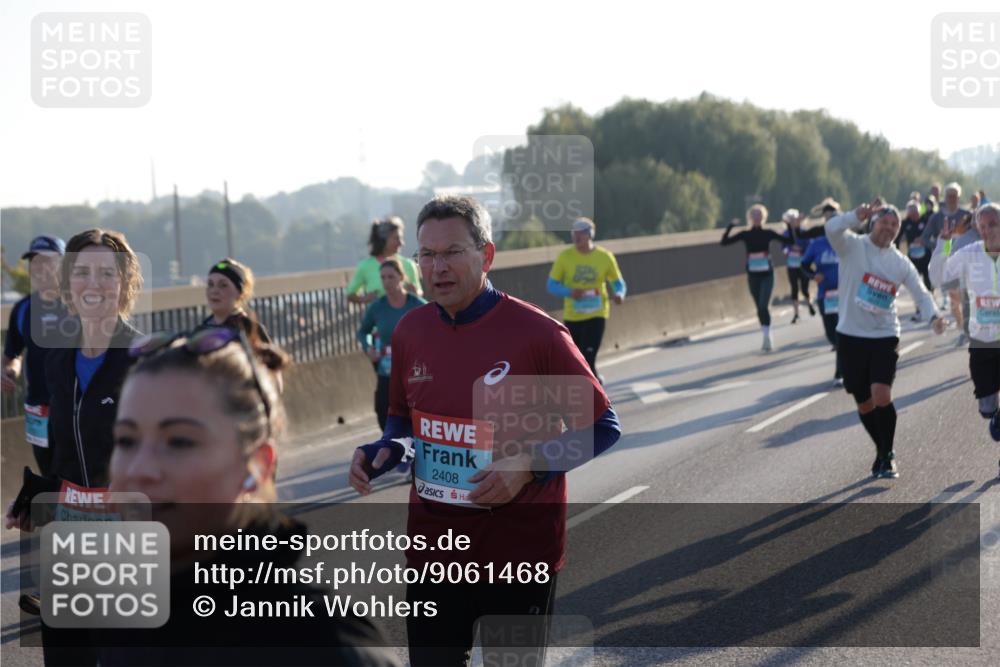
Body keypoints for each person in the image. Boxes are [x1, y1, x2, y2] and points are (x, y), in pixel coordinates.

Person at [348, 195, 621, 666]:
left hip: (518, 552)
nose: (438, 267)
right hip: (434, 551)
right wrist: (385, 451)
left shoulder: (538, 334)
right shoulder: (410, 331)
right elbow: (403, 421)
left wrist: (529, 466)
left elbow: (602, 427)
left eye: (453, 252)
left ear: (486, 255)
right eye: (427, 254)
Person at [827, 202, 946, 479]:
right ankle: (881, 449)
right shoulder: (851, 246)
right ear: (873, 222)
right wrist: (853, 216)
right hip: (850, 335)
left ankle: (888, 454)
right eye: (885, 222)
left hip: (884, 334)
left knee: (881, 394)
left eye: (895, 225)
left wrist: (933, 316)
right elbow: (831, 228)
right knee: (863, 401)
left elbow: (921, 292)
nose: (889, 228)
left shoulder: (899, 262)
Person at [45, 229, 144, 489]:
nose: (93, 283)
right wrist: (34, 501)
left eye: (106, 274)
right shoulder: (57, 360)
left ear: (124, 282)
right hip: (71, 514)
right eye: (81, 272)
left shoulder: (146, 360)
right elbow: (60, 458)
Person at [929, 203, 1000, 476]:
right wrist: (943, 244)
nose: (988, 231)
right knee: (987, 408)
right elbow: (938, 277)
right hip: (981, 343)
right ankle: (994, 414)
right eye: (982, 226)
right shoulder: (969, 254)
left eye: (993, 224)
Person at [2, 235, 69, 475]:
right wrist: (8, 371)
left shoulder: (79, 305)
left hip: (73, 408)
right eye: (35, 261)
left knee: (75, 477)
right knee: (47, 474)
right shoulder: (22, 309)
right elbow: (13, 354)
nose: (40, 268)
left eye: (47, 261)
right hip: (37, 410)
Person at [546, 217, 627, 383]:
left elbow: (618, 283)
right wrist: (569, 292)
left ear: (590, 234)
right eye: (573, 233)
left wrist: (620, 294)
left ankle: (592, 390)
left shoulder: (605, 257)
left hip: (597, 312)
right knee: (577, 359)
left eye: (580, 233)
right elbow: (552, 285)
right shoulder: (565, 257)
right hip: (573, 315)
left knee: (588, 355)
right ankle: (595, 379)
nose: (576, 237)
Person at [356, 258, 425, 432]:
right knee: (383, 411)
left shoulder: (417, 305)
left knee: (414, 414)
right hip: (387, 369)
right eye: (383, 277)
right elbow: (363, 332)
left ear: (401, 277)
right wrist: (369, 348)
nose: (386, 282)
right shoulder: (377, 307)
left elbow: (436, 328)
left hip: (414, 371)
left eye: (391, 277)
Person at [720, 203, 794, 351]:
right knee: (758, 308)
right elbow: (724, 242)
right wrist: (730, 226)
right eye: (754, 215)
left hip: (767, 274)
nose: (757, 217)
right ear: (750, 217)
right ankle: (765, 332)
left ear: (764, 217)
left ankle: (768, 337)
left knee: (763, 305)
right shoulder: (746, 234)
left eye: (759, 215)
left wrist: (788, 227)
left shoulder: (768, 233)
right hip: (753, 275)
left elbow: (789, 241)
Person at [922, 182, 975, 343]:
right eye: (949, 196)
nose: (952, 199)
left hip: (965, 263)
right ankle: (962, 328)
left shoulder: (966, 215)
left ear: (959, 198)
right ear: (944, 198)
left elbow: (976, 233)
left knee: (967, 298)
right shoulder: (937, 217)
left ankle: (968, 328)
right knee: (954, 301)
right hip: (947, 264)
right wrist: (939, 245)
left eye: (954, 196)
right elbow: (925, 237)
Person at [346, 216, 422, 305]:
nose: (401, 243)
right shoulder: (365, 266)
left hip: (405, 314)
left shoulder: (409, 264)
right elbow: (350, 294)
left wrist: (416, 292)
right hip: (377, 314)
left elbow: (419, 292)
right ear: (383, 240)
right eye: (396, 238)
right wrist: (365, 299)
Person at [194, 258, 272, 344]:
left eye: (223, 285)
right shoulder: (200, 331)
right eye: (210, 284)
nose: (214, 291)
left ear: (240, 292)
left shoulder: (251, 330)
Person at [800, 233, 842, 384]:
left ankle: (840, 373)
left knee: (842, 334)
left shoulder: (848, 241)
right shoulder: (817, 244)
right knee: (831, 334)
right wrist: (813, 275)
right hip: (825, 295)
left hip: (845, 294)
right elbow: (804, 265)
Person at [781, 208, 824, 323]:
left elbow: (810, 246)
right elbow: (783, 248)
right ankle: (796, 314)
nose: (792, 222)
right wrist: (790, 250)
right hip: (791, 265)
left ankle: (809, 303)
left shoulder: (804, 232)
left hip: (803, 264)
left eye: (794, 220)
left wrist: (801, 250)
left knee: (804, 288)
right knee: (794, 288)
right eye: (790, 220)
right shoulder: (785, 234)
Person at [895, 200, 933, 320]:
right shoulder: (905, 223)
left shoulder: (925, 221)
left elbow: (933, 234)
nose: (914, 215)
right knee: (916, 284)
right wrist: (895, 252)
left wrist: (924, 241)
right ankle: (918, 308)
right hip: (913, 257)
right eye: (912, 213)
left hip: (926, 256)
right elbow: (897, 238)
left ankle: (930, 306)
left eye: (916, 212)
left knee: (928, 282)